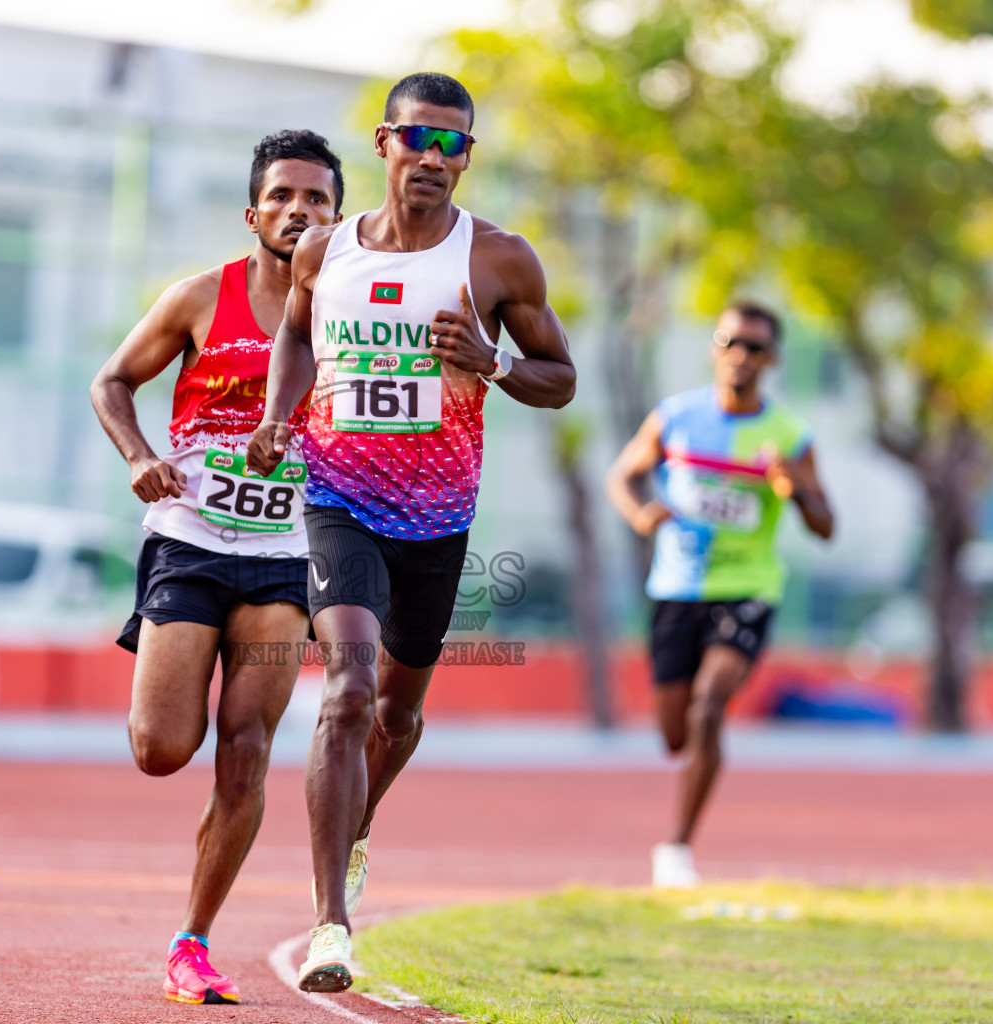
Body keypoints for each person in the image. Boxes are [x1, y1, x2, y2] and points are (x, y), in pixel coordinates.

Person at [246, 72, 577, 992]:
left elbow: (562, 377)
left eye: (452, 145)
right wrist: (281, 417)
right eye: (416, 139)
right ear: (384, 143)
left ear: (467, 158)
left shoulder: (500, 260)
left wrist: (495, 363)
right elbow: (299, 337)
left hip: (436, 518)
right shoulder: (325, 249)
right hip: (337, 497)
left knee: (399, 711)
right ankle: (330, 927)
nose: (432, 158)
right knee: (346, 693)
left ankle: (351, 827)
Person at [89, 129, 344, 1005]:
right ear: (253, 212)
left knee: (247, 747)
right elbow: (112, 381)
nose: (297, 211)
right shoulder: (202, 297)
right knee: (163, 748)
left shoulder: (354, 311)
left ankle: (192, 943)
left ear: (337, 217)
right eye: (282, 196)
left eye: (315, 198)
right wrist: (137, 455)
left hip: (284, 558)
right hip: (190, 542)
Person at [604, 301, 835, 889]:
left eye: (755, 348)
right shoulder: (676, 419)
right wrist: (641, 513)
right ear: (715, 348)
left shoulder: (788, 436)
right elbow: (623, 474)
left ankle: (676, 847)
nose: (741, 357)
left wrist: (796, 488)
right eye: (731, 342)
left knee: (710, 708)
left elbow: (826, 524)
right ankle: (683, 800)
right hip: (677, 589)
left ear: (772, 360)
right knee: (675, 732)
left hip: (748, 589)